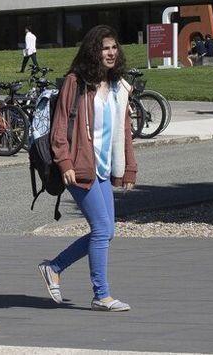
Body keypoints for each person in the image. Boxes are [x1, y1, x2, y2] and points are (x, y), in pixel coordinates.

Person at [38, 25, 139, 312]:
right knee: (102, 228)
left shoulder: (119, 87)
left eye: (114, 47)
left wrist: (129, 168)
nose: (110, 52)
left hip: (104, 169)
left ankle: (54, 267)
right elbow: (59, 126)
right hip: (79, 166)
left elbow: (125, 130)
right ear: (93, 51)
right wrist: (64, 161)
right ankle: (101, 295)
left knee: (107, 232)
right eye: (104, 47)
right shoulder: (76, 82)